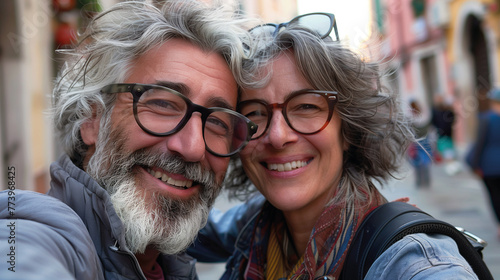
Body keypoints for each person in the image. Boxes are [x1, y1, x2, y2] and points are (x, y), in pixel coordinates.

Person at [188, 13, 479, 279]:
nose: (277, 136)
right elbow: (176, 229)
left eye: (305, 107)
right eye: (254, 113)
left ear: (348, 130)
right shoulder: (257, 224)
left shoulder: (413, 263)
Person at [0, 1, 257, 279]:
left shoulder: (169, 265)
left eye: (218, 122)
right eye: (163, 104)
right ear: (92, 119)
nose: (194, 147)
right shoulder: (33, 234)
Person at [466, 88, 500, 240]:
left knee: (495, 196)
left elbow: (479, 144)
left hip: (489, 166)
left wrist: (474, 165)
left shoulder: (486, 119)